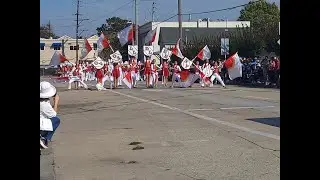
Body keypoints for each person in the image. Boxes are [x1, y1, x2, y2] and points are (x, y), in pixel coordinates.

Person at [40, 81, 61, 149]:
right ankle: (44, 138)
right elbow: (53, 114)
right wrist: (56, 102)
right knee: (56, 120)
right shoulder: (44, 104)